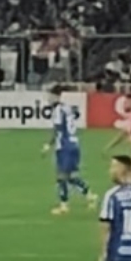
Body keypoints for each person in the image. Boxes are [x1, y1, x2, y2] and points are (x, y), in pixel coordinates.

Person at [42, 86, 97, 215]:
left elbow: (58, 129)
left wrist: (48, 145)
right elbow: (76, 114)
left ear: (56, 96)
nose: (48, 99)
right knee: (70, 176)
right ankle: (90, 195)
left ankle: (63, 206)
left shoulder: (57, 110)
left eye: (50, 96)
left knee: (61, 176)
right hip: (74, 144)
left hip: (64, 146)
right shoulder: (67, 108)